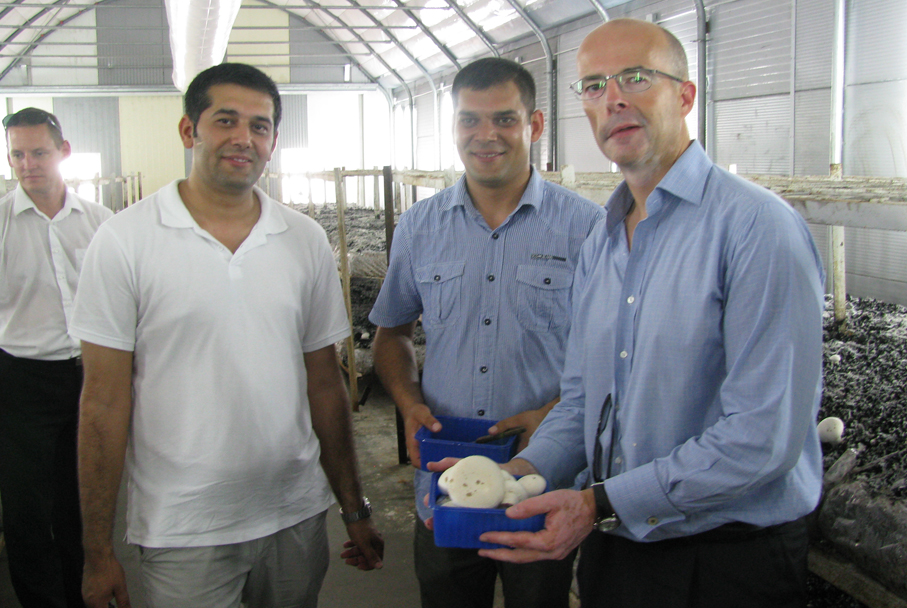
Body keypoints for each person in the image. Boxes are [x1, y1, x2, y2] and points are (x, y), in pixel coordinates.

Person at [478, 18, 826, 608]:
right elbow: (584, 400)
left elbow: (762, 436)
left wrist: (600, 502)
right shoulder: (604, 241)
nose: (612, 98)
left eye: (636, 77)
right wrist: (519, 474)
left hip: (726, 560)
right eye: (592, 85)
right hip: (619, 544)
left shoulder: (755, 229)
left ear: (685, 96)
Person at [70, 62, 384, 608]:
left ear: (274, 141)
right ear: (189, 130)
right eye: (226, 121)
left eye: (260, 126)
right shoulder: (124, 241)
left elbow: (325, 385)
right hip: (183, 526)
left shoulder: (304, 240)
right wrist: (96, 552)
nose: (244, 138)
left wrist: (353, 507)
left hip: (292, 512)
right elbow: (102, 402)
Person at [369, 57, 604, 608]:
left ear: (535, 125)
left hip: (544, 476)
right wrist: (408, 403)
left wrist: (553, 416)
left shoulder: (587, 228)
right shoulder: (420, 226)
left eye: (504, 119)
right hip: (446, 480)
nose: (486, 135)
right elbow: (391, 334)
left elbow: (615, 354)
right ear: (453, 127)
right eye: (469, 120)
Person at [0, 107, 113, 608]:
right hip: (20, 382)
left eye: (38, 153)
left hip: (90, 379)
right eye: (17, 155)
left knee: (82, 504)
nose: (28, 165)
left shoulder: (100, 224)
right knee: (25, 509)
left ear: (63, 152)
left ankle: (84, 593)